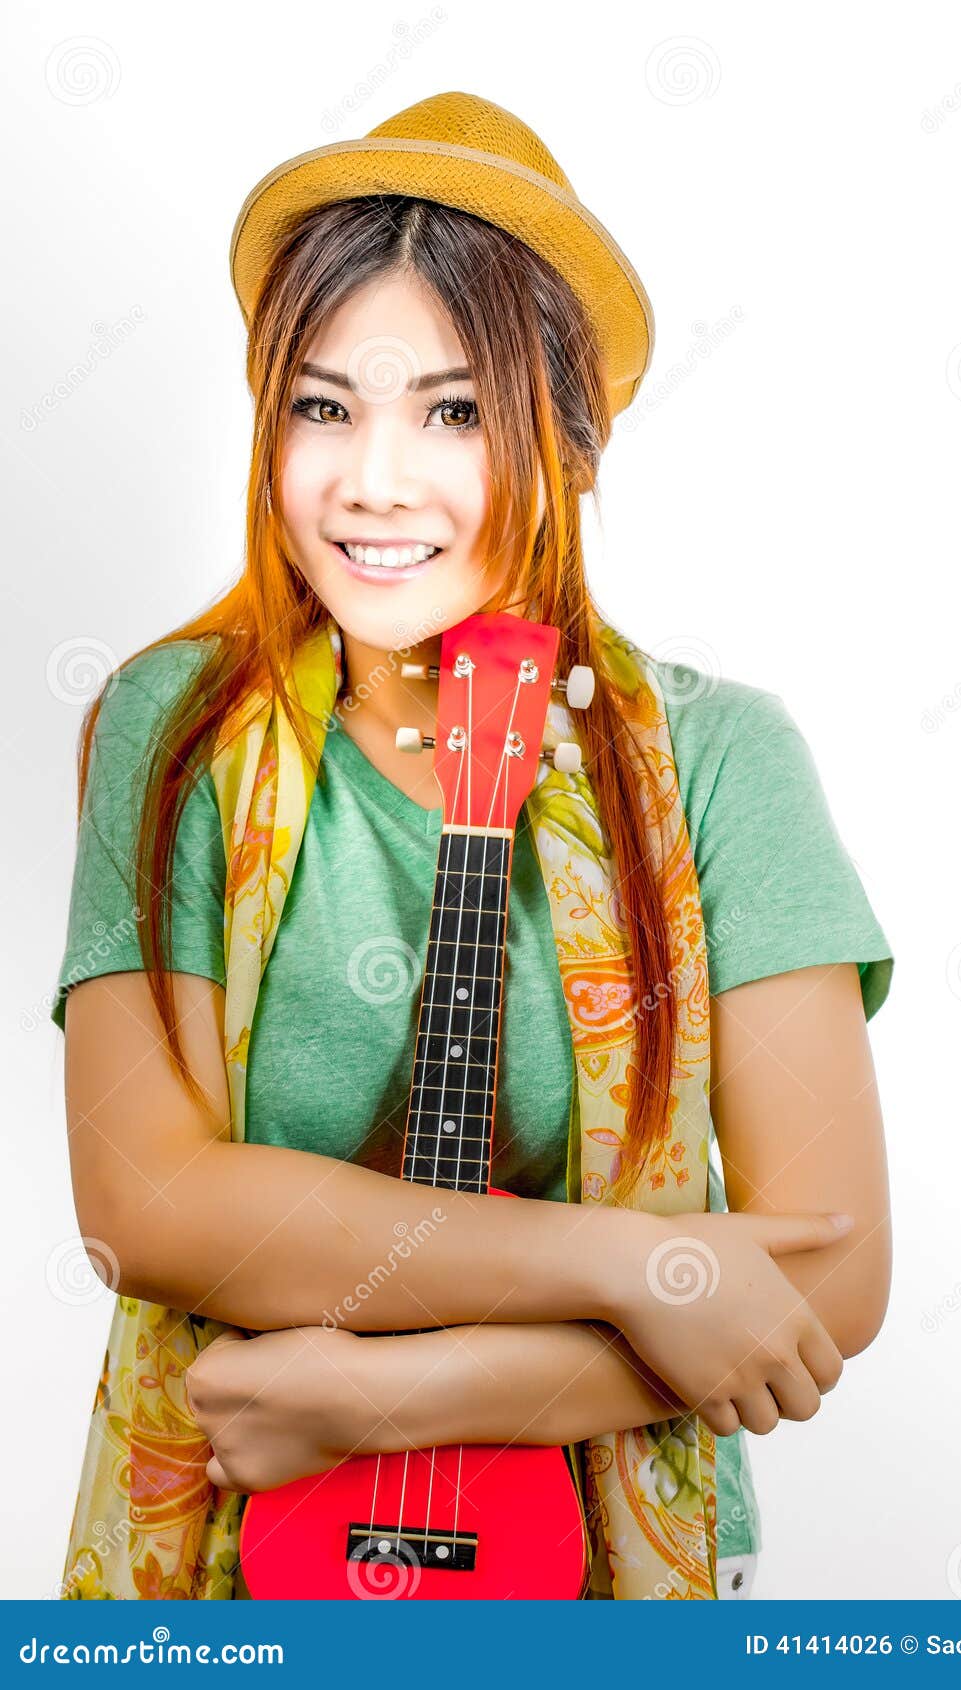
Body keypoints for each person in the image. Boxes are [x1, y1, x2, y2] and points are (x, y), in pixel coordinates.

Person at [51, 92, 894, 1602]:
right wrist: (633, 1265)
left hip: (608, 1572)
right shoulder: (171, 729)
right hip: (235, 1557)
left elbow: (825, 1278)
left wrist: (388, 1397)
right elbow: (149, 1206)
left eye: (454, 412)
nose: (375, 480)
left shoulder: (718, 759)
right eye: (323, 408)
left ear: (572, 445)